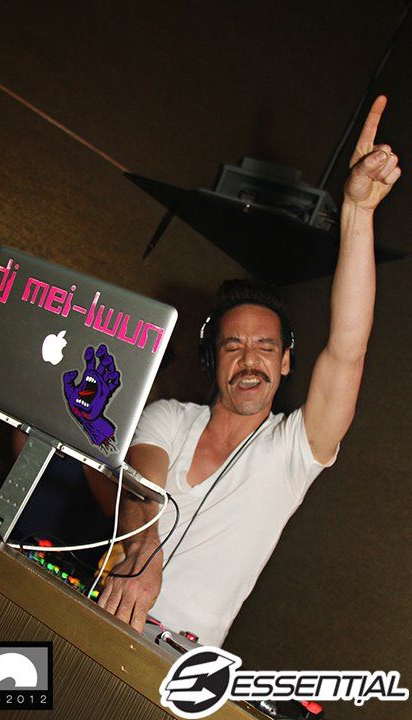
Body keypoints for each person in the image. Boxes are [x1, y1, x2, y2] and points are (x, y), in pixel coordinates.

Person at [97, 96, 401, 646]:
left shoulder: (293, 451)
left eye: (265, 346)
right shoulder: (168, 418)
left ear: (286, 362)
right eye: (233, 345)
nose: (249, 359)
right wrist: (144, 547)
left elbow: (348, 347)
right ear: (213, 359)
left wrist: (358, 213)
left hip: (180, 667)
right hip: (102, 617)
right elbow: (140, 491)